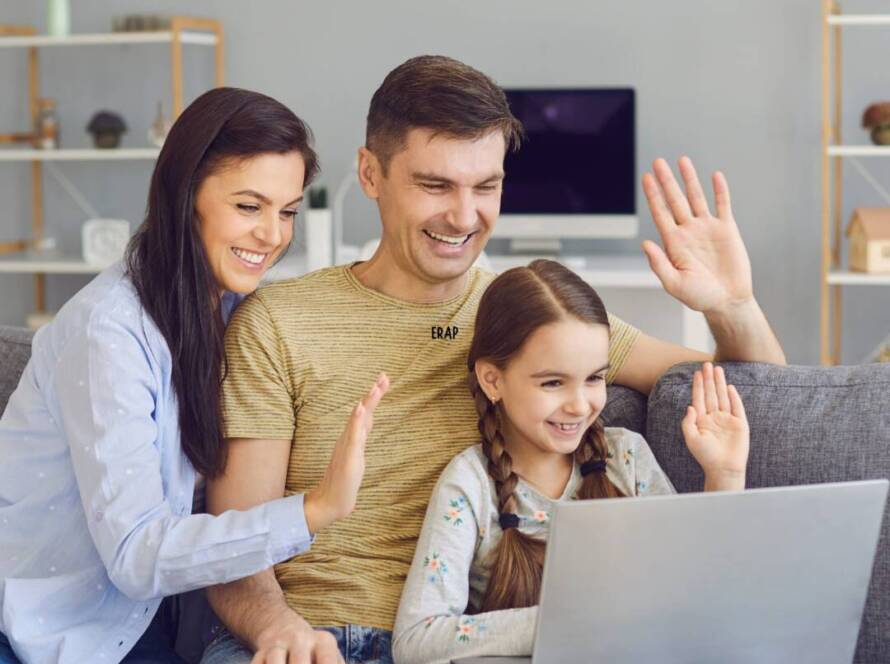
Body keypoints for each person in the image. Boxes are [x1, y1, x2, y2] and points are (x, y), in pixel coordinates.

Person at [203, 55, 784, 664]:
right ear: (370, 173)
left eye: (486, 186)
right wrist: (277, 629)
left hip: (466, 646)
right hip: (307, 635)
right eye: (435, 186)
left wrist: (734, 305)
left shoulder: (534, 317)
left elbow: (763, 396)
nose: (463, 216)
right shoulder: (278, 320)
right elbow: (233, 542)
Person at [0, 87, 381, 664]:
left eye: (287, 211)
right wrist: (316, 509)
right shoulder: (109, 333)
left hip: (148, 624)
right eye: (249, 207)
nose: (273, 236)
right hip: (58, 632)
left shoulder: (230, 308)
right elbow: (137, 555)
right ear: (186, 195)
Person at [391, 259, 749, 663]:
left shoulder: (625, 457)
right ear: (493, 380)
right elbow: (417, 640)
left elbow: (697, 593)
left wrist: (725, 474)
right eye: (553, 383)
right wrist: (569, 623)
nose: (580, 406)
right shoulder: (470, 484)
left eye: (595, 378)